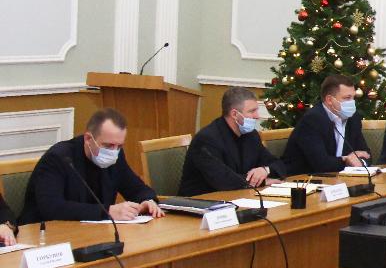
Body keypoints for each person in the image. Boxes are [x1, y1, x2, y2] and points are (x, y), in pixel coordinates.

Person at [19, 108, 165, 223]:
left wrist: (147, 201)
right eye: (108, 145)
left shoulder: (115, 156)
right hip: (46, 238)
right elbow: (52, 207)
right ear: (88, 138)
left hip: (92, 233)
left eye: (119, 146)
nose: (114, 151)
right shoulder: (58, 158)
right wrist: (107, 211)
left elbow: (137, 188)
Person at [178, 87, 287, 196]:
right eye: (252, 111)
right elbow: (222, 180)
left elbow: (277, 164)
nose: (257, 116)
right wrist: (262, 181)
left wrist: (265, 170)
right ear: (234, 114)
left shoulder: (251, 135)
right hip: (200, 202)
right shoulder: (207, 138)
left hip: (239, 197)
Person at [282, 75, 372, 175]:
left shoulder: (353, 118)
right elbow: (321, 164)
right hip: (305, 180)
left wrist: (360, 161)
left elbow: (366, 154)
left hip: (339, 179)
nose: (352, 103)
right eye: (347, 98)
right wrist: (347, 159)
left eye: (353, 98)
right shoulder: (312, 119)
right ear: (329, 100)